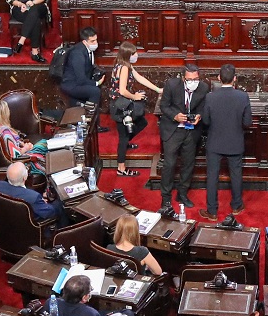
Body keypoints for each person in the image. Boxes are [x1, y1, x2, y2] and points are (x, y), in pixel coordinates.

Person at [202, 63, 251, 222]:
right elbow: (247, 122)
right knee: (236, 175)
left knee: (212, 176)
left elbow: (206, 121)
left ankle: (212, 211)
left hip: (214, 143)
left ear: (218, 78)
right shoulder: (243, 97)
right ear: (235, 79)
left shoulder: (210, 97)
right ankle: (237, 206)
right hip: (235, 142)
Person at [158, 62, 206, 216]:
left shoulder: (204, 87)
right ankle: (165, 198)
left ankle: (182, 193)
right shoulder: (171, 85)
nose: (193, 83)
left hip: (191, 131)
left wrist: (199, 116)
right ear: (182, 78)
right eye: (190, 79)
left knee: (188, 164)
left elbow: (204, 108)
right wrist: (175, 116)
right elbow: (163, 106)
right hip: (173, 130)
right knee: (169, 164)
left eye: (196, 79)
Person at [106, 46, 164, 167]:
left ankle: (125, 143)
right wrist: (134, 96)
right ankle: (121, 168)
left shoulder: (124, 65)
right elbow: (122, 90)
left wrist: (158, 89)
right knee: (123, 136)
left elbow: (139, 78)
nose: (136, 55)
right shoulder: (124, 68)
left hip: (120, 104)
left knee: (141, 122)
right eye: (134, 53)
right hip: (120, 107)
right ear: (127, 55)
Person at [0, 160, 63, 226]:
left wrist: (39, 202)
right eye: (26, 169)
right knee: (59, 204)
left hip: (8, 223)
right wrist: (43, 204)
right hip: (31, 228)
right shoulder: (33, 198)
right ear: (24, 178)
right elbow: (50, 213)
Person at [0, 99, 45, 173]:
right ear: (4, 114)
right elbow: (15, 155)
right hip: (20, 163)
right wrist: (26, 147)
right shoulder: (5, 132)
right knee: (44, 144)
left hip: (8, 160)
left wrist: (20, 143)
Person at [61, 27, 103, 107]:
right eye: (92, 41)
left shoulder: (87, 49)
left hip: (78, 82)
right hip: (71, 85)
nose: (95, 43)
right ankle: (91, 116)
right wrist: (97, 83)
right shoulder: (78, 54)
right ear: (84, 41)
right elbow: (81, 79)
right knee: (95, 91)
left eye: (96, 40)